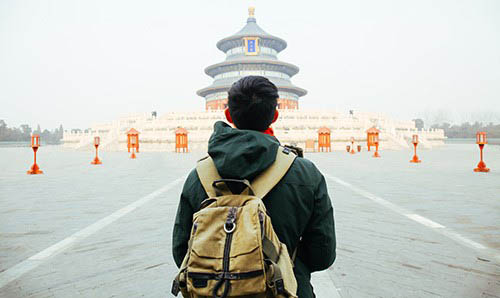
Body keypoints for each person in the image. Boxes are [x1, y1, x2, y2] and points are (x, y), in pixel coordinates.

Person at [172, 76, 336, 298]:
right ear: (275, 116)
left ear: (228, 115)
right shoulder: (306, 173)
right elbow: (322, 255)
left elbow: (181, 251)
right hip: (289, 290)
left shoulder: (199, 176)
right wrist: (284, 260)